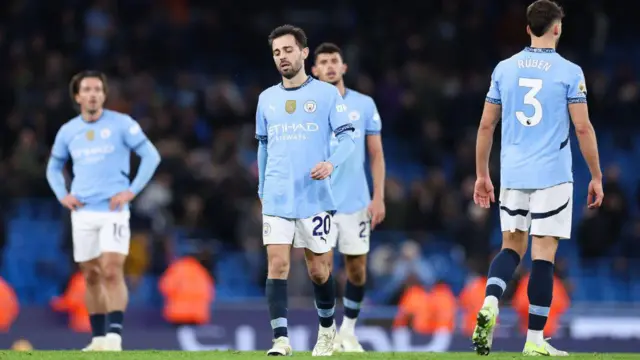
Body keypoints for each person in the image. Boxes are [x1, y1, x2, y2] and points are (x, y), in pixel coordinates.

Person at [472, 0, 604, 356]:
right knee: (543, 256)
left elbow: (486, 125)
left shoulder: (504, 68)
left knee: (511, 248)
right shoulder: (570, 72)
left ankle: (490, 302)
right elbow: (582, 126)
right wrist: (596, 176)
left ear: (527, 27)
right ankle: (533, 340)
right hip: (553, 176)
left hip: (513, 174)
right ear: (558, 28)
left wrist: (483, 175)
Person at [256, 25, 356, 356]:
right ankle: (280, 340)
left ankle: (327, 331)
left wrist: (330, 164)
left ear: (303, 53)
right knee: (278, 265)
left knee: (318, 270)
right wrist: (262, 187)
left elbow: (348, 138)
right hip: (277, 196)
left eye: (287, 50)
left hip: (315, 198)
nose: (282, 57)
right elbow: (263, 147)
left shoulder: (327, 95)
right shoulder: (266, 99)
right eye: (276, 53)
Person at [46, 71, 161, 351]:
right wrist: (63, 195)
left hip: (114, 210)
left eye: (98, 89)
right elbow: (52, 167)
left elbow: (152, 155)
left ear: (104, 95)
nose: (93, 94)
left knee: (111, 269)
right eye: (87, 89)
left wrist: (131, 191)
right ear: (77, 96)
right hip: (83, 213)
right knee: (90, 274)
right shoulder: (68, 131)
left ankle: (114, 337)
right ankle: (98, 338)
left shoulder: (122, 124)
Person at [311, 42, 386, 352]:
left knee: (356, 270)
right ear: (314, 71)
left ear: (344, 67)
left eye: (334, 61)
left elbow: (376, 154)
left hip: (356, 203)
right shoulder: (308, 107)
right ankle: (327, 332)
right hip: (319, 203)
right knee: (322, 270)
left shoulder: (364, 105)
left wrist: (379, 196)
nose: (329, 66)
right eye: (323, 62)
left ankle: (349, 332)